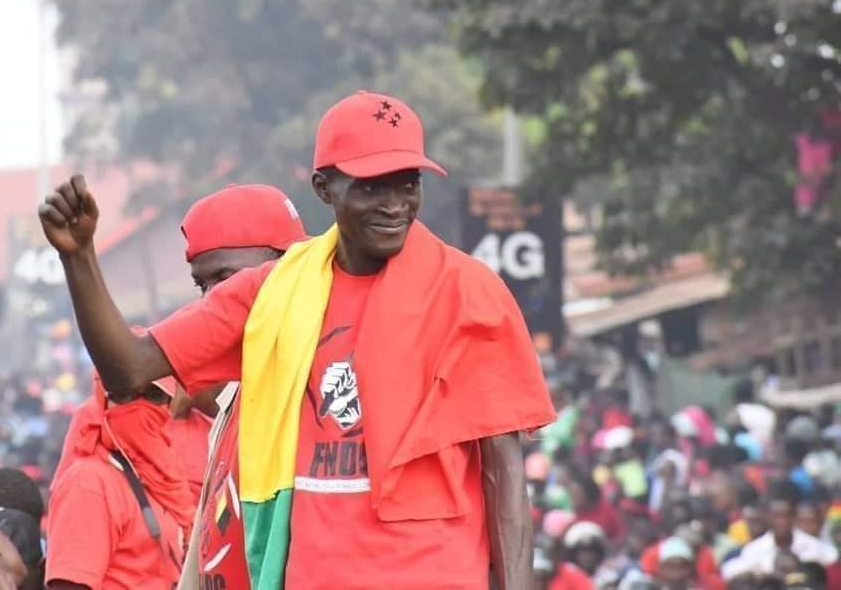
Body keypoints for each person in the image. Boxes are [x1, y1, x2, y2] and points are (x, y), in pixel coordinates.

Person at [39, 91, 555, 590]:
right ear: (324, 188)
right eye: (372, 186)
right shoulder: (273, 293)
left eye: (407, 184)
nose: (396, 204)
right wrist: (79, 257)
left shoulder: (468, 291)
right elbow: (129, 368)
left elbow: (504, 478)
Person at [175, 184, 308, 590]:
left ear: (289, 267)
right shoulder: (234, 395)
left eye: (227, 278)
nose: (215, 300)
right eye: (203, 286)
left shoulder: (321, 385)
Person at [45, 373, 193, 589]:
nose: (138, 406)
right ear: (103, 400)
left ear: (171, 402)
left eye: (154, 395)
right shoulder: (89, 481)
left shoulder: (165, 479)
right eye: (124, 394)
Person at [723, 481, 838, 581]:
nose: (781, 521)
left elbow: (832, 560)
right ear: (767, 517)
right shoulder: (754, 549)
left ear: (794, 517)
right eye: (775, 516)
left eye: (786, 515)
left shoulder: (815, 546)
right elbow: (729, 571)